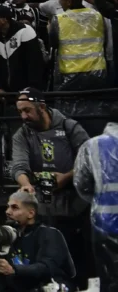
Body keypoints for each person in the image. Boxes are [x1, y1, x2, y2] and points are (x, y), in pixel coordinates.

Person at [12, 87, 91, 281]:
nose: (23, 116)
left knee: (81, 259)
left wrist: (66, 177)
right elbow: (19, 166)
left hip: (76, 203)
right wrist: (25, 184)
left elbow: (89, 159)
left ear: (42, 107)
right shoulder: (22, 135)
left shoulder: (69, 127)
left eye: (27, 110)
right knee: (49, 257)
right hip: (45, 206)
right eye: (20, 111)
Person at [0, 191, 76, 292]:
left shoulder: (49, 234)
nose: (7, 211)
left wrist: (14, 269)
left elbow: (46, 268)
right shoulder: (9, 235)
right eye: (8, 207)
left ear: (31, 213)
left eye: (14, 207)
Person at [73, 119, 118, 291]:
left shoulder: (92, 146)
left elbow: (81, 183)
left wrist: (99, 199)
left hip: (104, 224)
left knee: (109, 278)